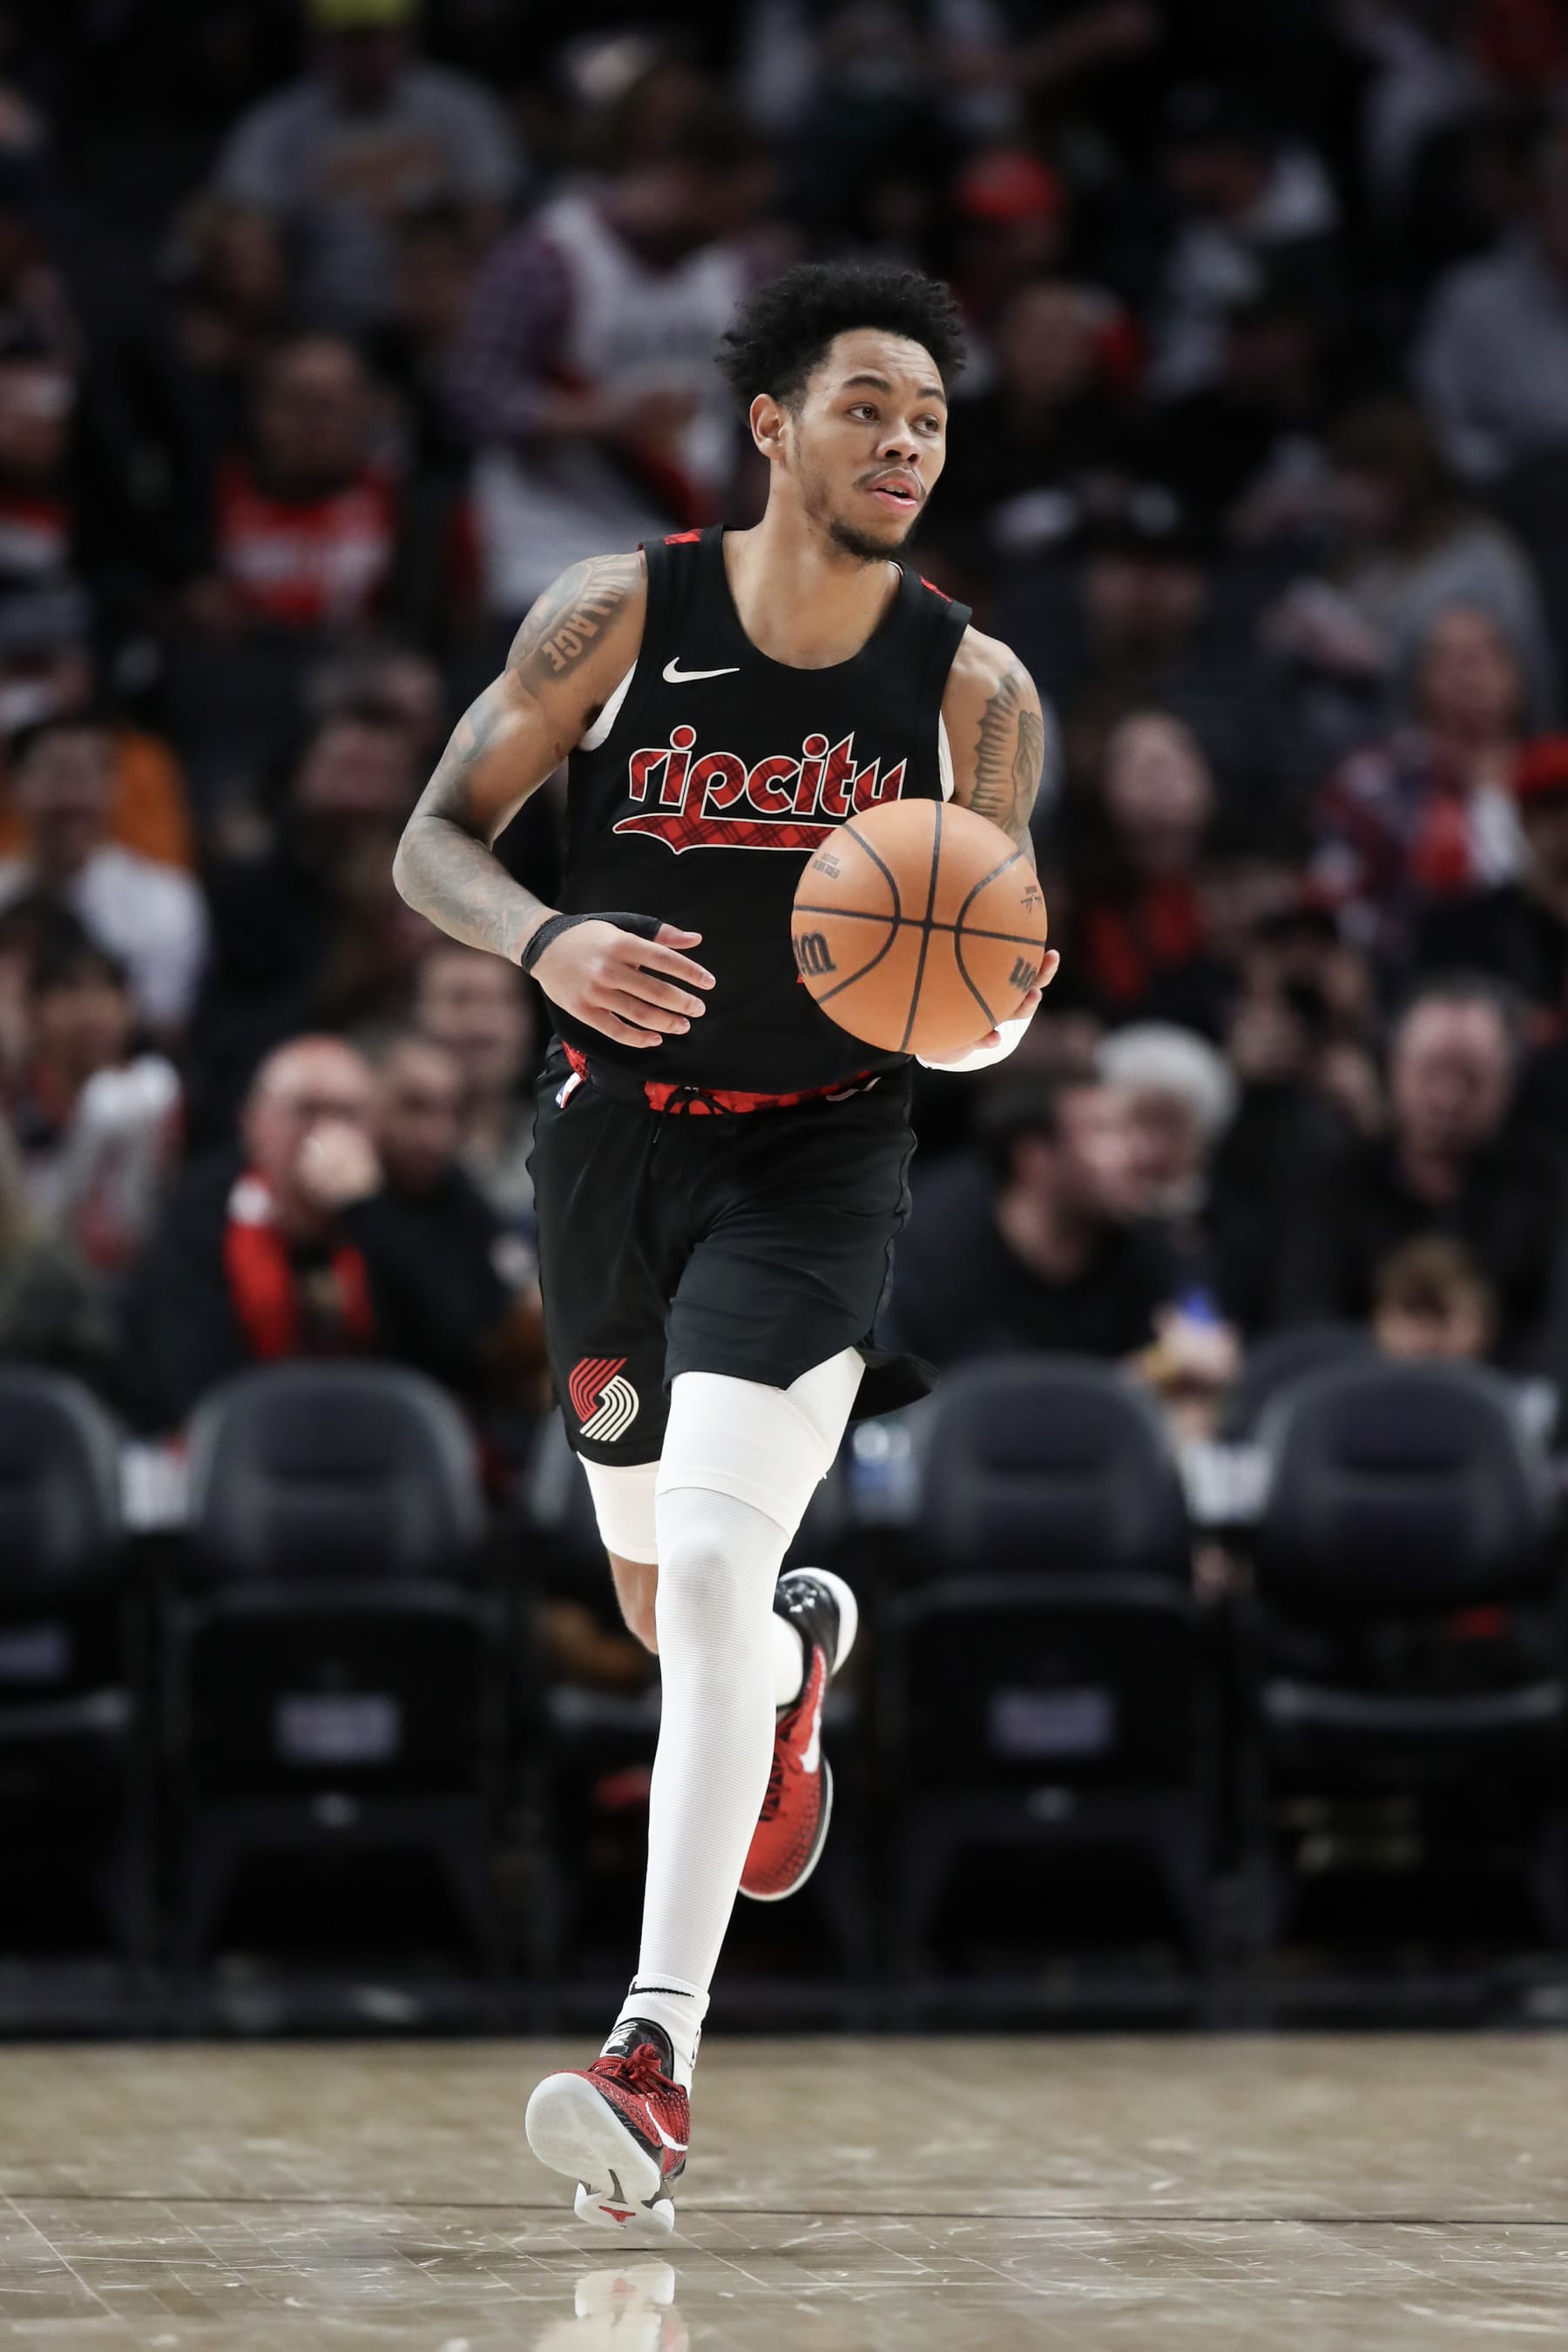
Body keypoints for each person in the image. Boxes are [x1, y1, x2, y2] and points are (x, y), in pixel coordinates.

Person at [393, 261, 1056, 2233]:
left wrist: (977, 1004)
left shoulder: (976, 690)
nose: (905, 442)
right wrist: (544, 938)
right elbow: (432, 838)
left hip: (818, 1160)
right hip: (611, 1151)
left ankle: (652, 2055)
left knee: (698, 1564)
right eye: (868, 406)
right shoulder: (617, 611)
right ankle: (793, 1665)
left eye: (930, 419)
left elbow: (1004, 962)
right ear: (770, 424)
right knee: (664, 1597)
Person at [117, 1031, 532, 1432]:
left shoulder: (417, 1203)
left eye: (346, 1114)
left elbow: (460, 1345)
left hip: (385, 1449)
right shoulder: (205, 1207)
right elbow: (186, 1372)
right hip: (250, 1448)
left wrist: (364, 1211)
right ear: (253, 1122)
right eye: (304, 1111)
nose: (324, 1134)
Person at [1279, 977, 1561, 1367]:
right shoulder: (1335, 1182)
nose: (1448, 1099)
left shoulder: (1547, 1188)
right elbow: (1300, 1324)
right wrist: (1383, 1347)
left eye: (1471, 1078)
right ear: (1394, 1067)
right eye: (1431, 1072)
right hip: (1355, 1389)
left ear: (1508, 1084)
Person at [213, 0, 519, 333]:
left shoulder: (461, 108)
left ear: (407, 35)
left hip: (446, 316)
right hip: (322, 319)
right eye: (352, 38)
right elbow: (244, 228)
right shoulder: (276, 125)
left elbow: (489, 219)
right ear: (319, 42)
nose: (369, 53)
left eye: (380, 36)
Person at [887, 1072, 1178, 1368]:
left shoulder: (1147, 1242)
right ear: (1034, 1158)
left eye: (1132, 1130)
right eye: (1104, 1132)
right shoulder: (931, 1250)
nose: (1138, 1152)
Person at [0, 714, 207, 1036]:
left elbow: (164, 1026)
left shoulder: (166, 901)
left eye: (85, 776)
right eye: (55, 775)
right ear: (16, 785)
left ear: (114, 786)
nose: (70, 798)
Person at [410, 941, 537, 1231]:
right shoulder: (386, 1152)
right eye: (460, 1000)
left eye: (502, 1002)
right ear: (416, 1012)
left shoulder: (558, 1140)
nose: (482, 1026)